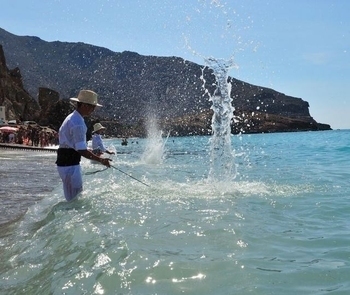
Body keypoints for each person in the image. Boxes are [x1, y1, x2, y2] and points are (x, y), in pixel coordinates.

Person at [56, 90, 112, 201]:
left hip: (65, 163)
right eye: (93, 107)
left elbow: (74, 145)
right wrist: (101, 160)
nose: (93, 110)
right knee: (74, 200)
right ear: (85, 106)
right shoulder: (78, 123)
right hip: (70, 165)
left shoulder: (72, 118)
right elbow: (81, 150)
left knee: (72, 199)